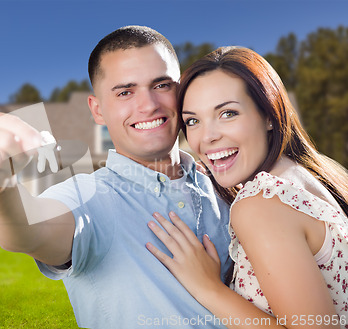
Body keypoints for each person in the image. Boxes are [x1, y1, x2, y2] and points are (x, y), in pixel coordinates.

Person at [0, 26, 232, 328]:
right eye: (125, 92)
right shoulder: (88, 196)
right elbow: (29, 230)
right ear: (98, 110)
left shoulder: (224, 186)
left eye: (162, 85)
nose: (149, 105)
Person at [146, 46, 348, 328]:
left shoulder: (260, 204)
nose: (207, 137)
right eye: (193, 121)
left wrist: (208, 288)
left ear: (268, 114)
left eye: (228, 113)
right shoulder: (307, 174)